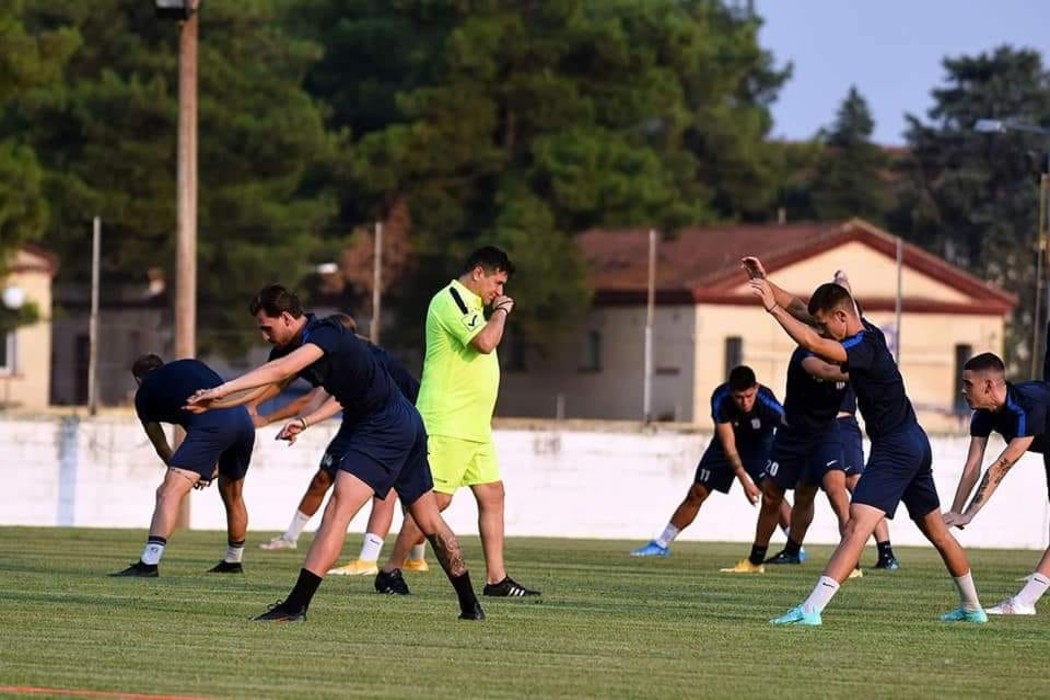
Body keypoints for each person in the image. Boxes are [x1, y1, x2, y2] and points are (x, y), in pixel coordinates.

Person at [186, 285, 484, 621]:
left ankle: (295, 606)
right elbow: (268, 388)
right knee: (429, 519)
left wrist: (220, 388)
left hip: (383, 425)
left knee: (337, 512)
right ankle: (470, 605)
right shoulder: (290, 348)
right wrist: (215, 402)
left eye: (266, 327)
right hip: (402, 423)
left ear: (286, 317)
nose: (265, 336)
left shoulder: (325, 332)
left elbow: (280, 372)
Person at [743, 256, 985, 626]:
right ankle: (973, 609)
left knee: (857, 523)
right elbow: (803, 311)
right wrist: (767, 282)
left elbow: (811, 340)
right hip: (915, 441)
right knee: (937, 531)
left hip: (896, 447)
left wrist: (771, 309)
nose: (823, 330)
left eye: (827, 324)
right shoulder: (864, 329)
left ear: (842, 317)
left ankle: (810, 611)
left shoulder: (864, 348)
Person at [376, 246, 539, 598]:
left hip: (474, 425)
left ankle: (496, 579)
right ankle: (390, 570)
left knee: (493, 494)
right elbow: (484, 343)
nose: (500, 292)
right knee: (435, 501)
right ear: (478, 273)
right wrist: (503, 313)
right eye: (497, 282)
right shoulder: (452, 299)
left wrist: (492, 311)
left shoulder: (476, 307)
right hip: (448, 421)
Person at [257, 313, 430, 577]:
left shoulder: (367, 358)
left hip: (399, 423)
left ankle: (381, 560)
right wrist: (287, 421)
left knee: (395, 493)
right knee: (325, 478)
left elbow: (332, 400)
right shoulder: (337, 357)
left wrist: (296, 421)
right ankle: (291, 536)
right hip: (360, 421)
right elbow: (313, 398)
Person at [110, 354, 256, 577]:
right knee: (233, 495)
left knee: (168, 492)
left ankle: (148, 564)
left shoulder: (144, 394)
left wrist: (184, 470)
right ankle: (233, 560)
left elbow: (161, 446)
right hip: (243, 420)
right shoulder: (190, 364)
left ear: (139, 379)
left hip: (211, 426)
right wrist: (199, 465)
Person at [721, 349, 859, 576]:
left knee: (836, 490)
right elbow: (824, 370)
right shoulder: (807, 350)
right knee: (772, 496)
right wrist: (863, 370)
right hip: (792, 435)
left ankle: (852, 563)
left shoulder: (854, 347)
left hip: (826, 433)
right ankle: (756, 561)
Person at [631, 366, 787, 562]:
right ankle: (661, 544)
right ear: (731, 391)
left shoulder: (767, 401)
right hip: (725, 446)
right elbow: (729, 446)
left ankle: (793, 548)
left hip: (759, 445)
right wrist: (745, 482)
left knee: (772, 491)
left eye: (749, 396)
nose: (745, 402)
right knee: (697, 492)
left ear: (755, 389)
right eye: (739, 397)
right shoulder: (721, 398)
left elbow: (788, 426)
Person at [943, 350, 1050, 615]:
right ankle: (1026, 601)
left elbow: (1002, 465)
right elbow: (973, 465)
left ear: (988, 385)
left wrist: (969, 514)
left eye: (968, 384)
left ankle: (1024, 603)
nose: (963, 391)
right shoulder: (983, 412)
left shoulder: (1027, 407)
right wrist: (955, 512)